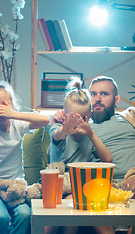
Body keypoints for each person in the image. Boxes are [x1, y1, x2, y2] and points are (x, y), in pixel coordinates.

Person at [53, 76, 135, 233]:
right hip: (101, 187)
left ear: (116, 99)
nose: (97, 99)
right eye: (93, 94)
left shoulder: (131, 119)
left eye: (104, 94)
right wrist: (57, 120)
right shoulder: (80, 127)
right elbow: (59, 138)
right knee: (81, 200)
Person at [0, 80, 50, 234]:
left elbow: (45, 120)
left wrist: (13, 114)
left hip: (15, 188)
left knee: (25, 214)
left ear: (12, 106)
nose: (1, 109)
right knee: (0, 217)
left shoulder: (17, 125)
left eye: (5, 104)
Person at [47, 78, 114, 234]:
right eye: (73, 118)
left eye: (83, 119)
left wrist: (91, 134)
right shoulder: (59, 129)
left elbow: (108, 159)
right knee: (50, 221)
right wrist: (65, 128)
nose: (77, 124)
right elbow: (57, 135)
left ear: (89, 116)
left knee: (74, 204)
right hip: (54, 187)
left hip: (77, 190)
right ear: (64, 115)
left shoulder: (89, 135)